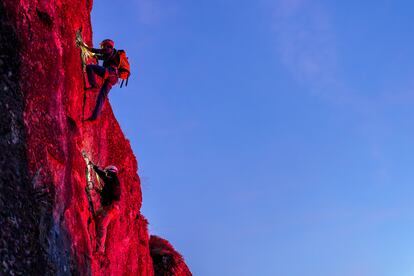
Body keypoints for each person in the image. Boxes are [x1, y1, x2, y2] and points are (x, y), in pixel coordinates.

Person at [88, 160, 121, 254]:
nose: (106, 173)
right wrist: (94, 187)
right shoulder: (112, 184)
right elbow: (104, 193)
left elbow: (104, 176)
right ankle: (93, 236)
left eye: (107, 172)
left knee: (102, 226)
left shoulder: (114, 180)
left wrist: (94, 167)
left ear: (110, 172)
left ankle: (100, 249)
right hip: (109, 207)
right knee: (95, 216)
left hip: (111, 207)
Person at [84, 39, 119, 121]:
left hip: (110, 73)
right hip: (114, 79)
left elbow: (98, 51)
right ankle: (94, 116)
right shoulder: (111, 54)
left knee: (90, 67)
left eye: (103, 45)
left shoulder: (109, 50)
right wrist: (92, 55)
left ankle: (94, 85)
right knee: (101, 97)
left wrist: (86, 47)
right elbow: (97, 56)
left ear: (106, 45)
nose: (102, 47)